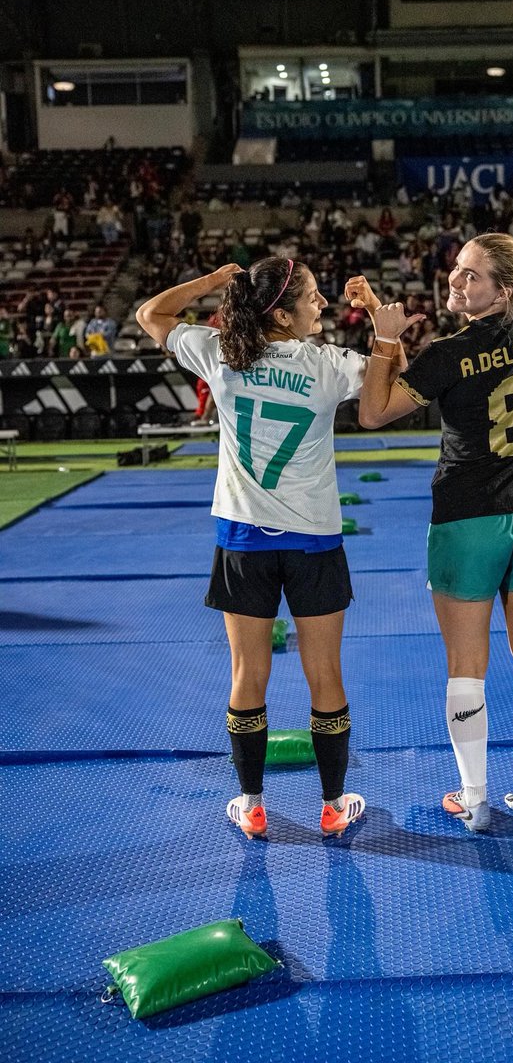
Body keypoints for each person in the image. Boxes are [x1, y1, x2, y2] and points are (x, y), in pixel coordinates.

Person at [356, 233, 513, 834]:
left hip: (467, 519)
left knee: (466, 668)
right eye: (457, 267)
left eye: (471, 275)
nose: (455, 279)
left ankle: (474, 800)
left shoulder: (449, 353)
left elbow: (373, 412)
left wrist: (384, 337)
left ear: (503, 290)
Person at [135, 256, 376, 841]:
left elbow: (150, 314)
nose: (323, 304)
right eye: (313, 296)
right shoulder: (329, 365)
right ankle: (333, 806)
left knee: (248, 674)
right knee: (326, 674)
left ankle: (251, 805)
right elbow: (393, 388)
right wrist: (377, 318)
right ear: (284, 314)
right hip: (314, 541)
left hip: (243, 539)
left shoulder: (221, 352)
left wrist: (215, 282)